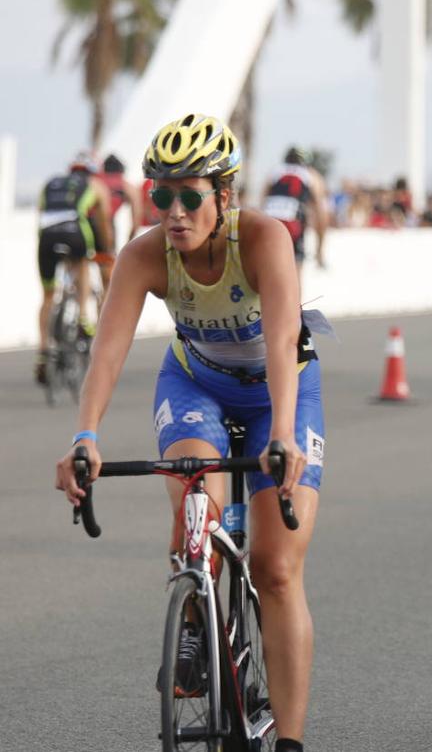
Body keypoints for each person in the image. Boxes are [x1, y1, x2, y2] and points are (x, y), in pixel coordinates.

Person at [54, 114, 322, 752]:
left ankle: (289, 740)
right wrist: (84, 435)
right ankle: (196, 609)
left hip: (279, 393)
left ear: (225, 196)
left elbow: (283, 341)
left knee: (276, 567)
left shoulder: (262, 238)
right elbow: (109, 351)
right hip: (195, 384)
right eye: (161, 195)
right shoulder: (146, 253)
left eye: (189, 195)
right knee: (195, 492)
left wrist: (281, 433)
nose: (173, 211)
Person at [35, 153, 114, 385]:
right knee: (82, 267)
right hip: (75, 234)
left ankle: (42, 351)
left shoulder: (50, 184)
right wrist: (107, 251)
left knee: (48, 295)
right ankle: (82, 319)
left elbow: (40, 219)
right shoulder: (95, 185)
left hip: (46, 239)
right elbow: (103, 223)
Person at [263, 147, 330, 271]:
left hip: (269, 220)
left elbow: (263, 201)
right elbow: (321, 212)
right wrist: (320, 250)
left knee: (267, 267)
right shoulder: (311, 174)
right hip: (293, 221)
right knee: (294, 270)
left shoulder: (274, 172)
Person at [100, 153, 143, 248]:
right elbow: (136, 221)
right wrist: (128, 244)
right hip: (105, 222)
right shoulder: (126, 186)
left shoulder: (96, 183)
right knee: (110, 258)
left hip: (84, 223)